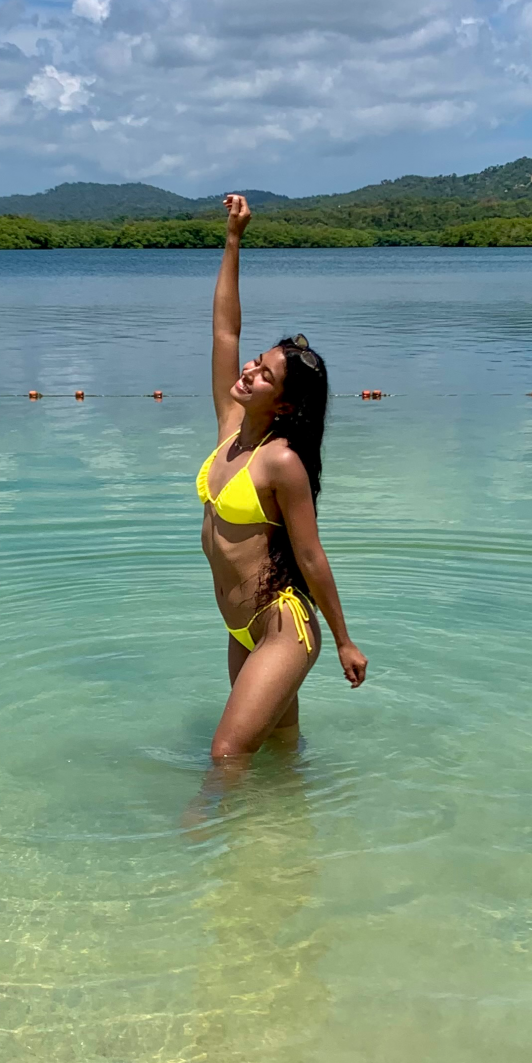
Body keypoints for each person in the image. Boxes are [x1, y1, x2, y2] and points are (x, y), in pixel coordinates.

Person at [196, 193, 367, 764]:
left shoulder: (282, 462)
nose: (248, 370)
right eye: (255, 362)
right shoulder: (229, 424)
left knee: (227, 755)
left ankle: (199, 840)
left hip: (282, 626)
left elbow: (312, 557)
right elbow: (225, 333)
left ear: (287, 405)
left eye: (263, 374)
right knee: (279, 750)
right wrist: (234, 240)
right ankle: (292, 845)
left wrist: (343, 639)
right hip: (240, 626)